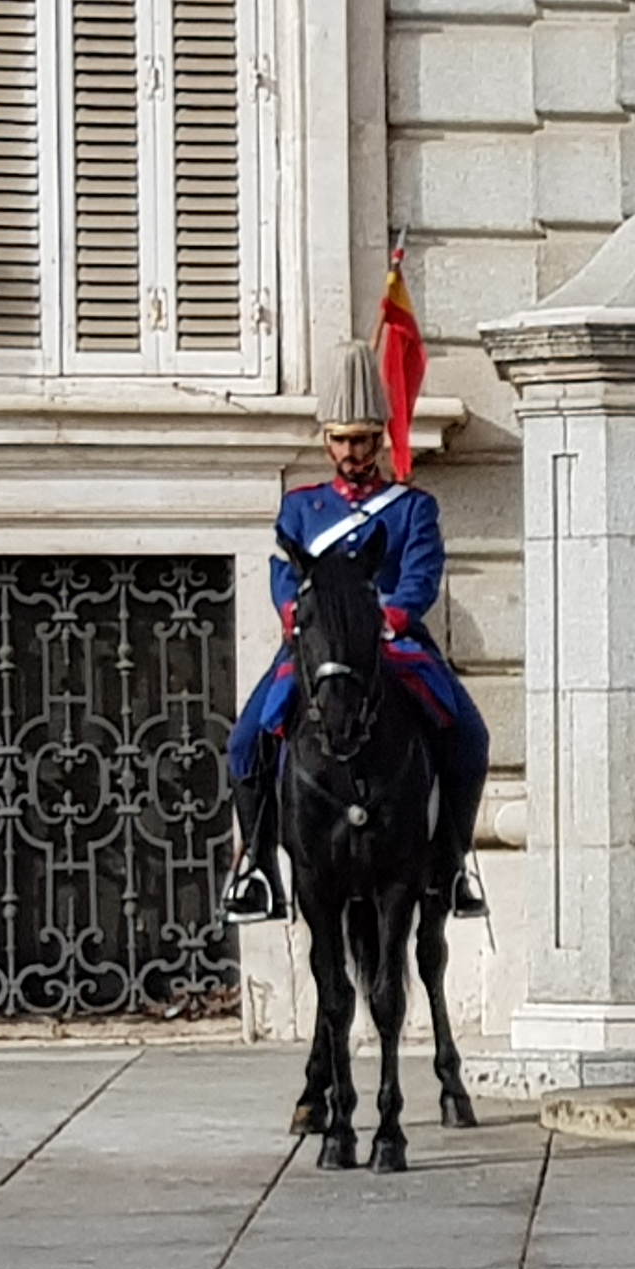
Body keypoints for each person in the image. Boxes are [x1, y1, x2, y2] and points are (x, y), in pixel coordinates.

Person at [222, 346, 492, 922]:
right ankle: (259, 870)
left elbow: (420, 576)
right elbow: (283, 575)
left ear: (380, 440)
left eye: (364, 440)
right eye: (342, 440)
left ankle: (452, 863)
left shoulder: (412, 508)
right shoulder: (301, 508)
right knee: (245, 740)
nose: (353, 453)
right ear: (327, 442)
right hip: (317, 647)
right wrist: (296, 616)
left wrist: (387, 618)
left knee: (469, 734)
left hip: (394, 645)